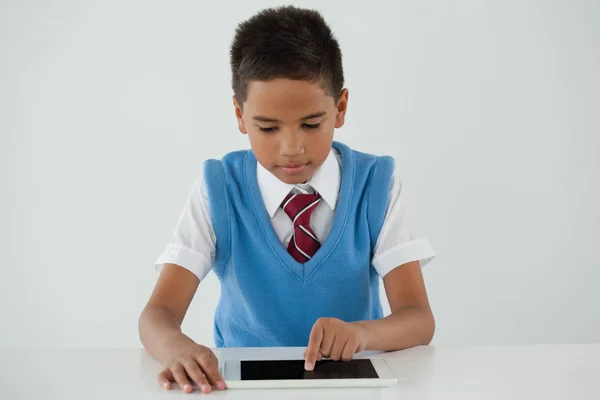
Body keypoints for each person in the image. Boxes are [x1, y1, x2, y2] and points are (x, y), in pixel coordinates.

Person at [139, 5, 436, 394]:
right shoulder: (220, 187)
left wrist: (361, 333)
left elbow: (419, 319)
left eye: (311, 124)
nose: (291, 148)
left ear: (340, 108)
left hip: (351, 386)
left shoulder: (375, 184)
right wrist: (177, 347)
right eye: (267, 127)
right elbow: (157, 314)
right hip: (243, 389)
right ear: (240, 115)